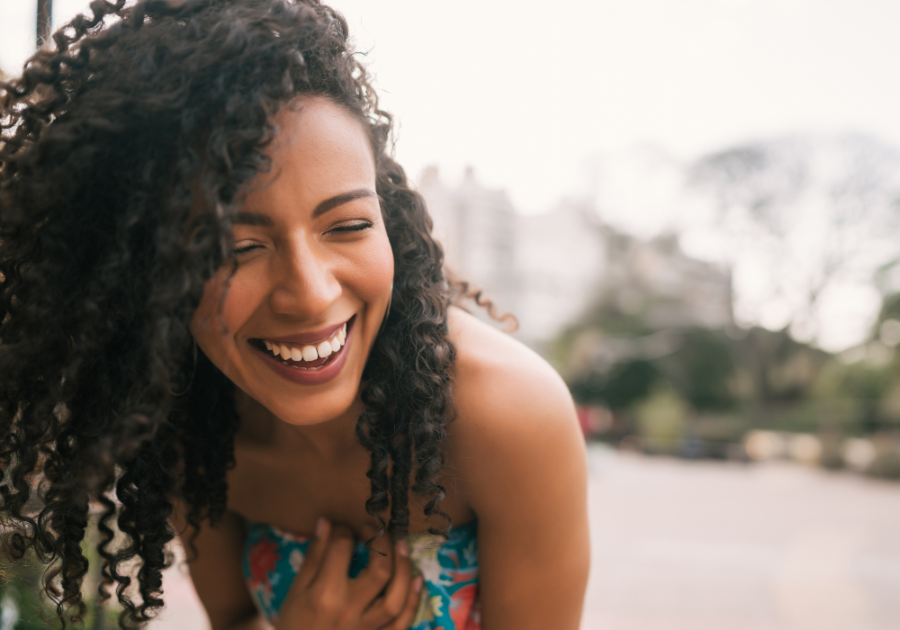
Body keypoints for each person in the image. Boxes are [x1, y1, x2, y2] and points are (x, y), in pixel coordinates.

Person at [0, 1, 590, 628]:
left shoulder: (507, 417)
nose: (310, 295)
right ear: (152, 269)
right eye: (237, 247)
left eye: (349, 225)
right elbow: (231, 617)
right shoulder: (190, 428)